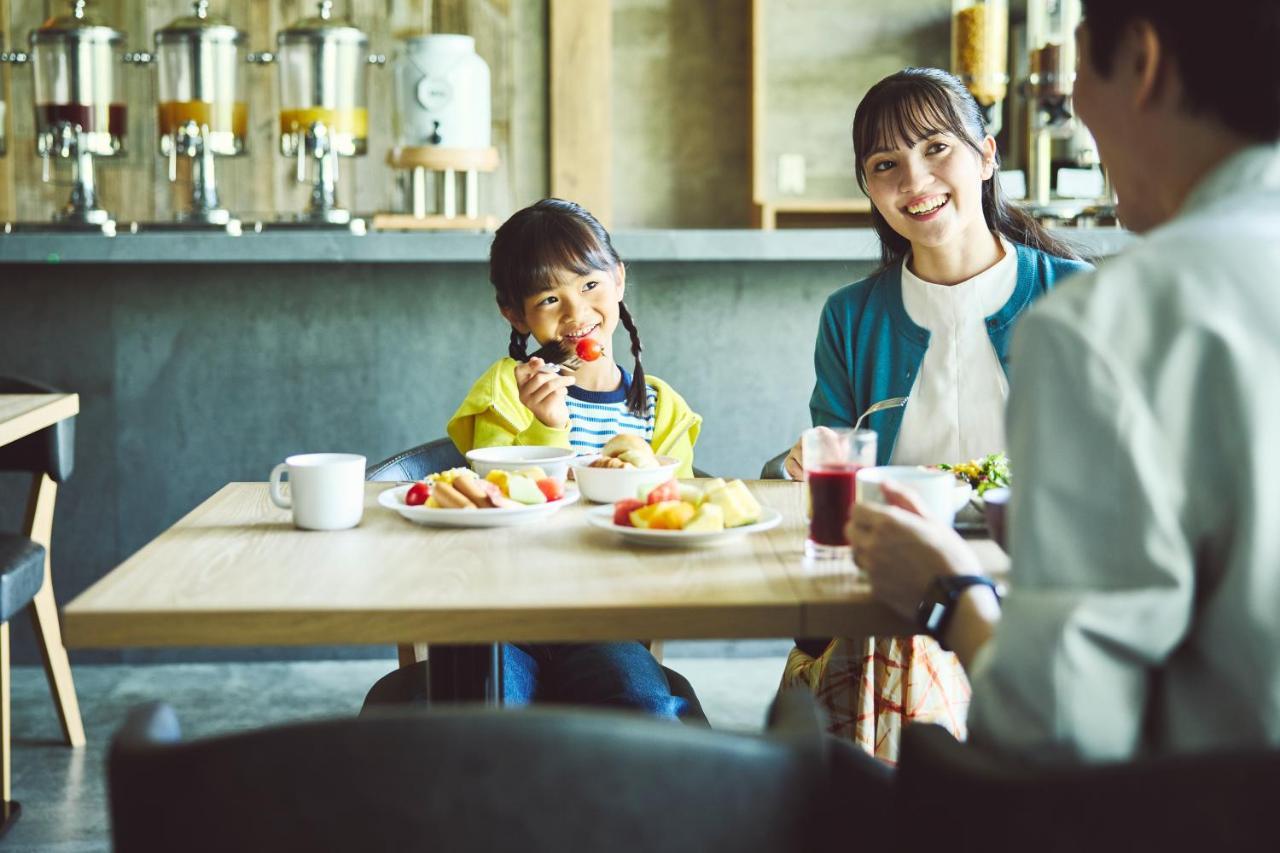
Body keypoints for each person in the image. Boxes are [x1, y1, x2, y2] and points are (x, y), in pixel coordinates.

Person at [850, 0, 1280, 767]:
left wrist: (948, 589)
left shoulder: (1104, 318)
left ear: (1141, 61)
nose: (1075, 105)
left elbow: (1058, 723)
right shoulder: (852, 315)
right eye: (885, 164)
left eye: (1079, 65)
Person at [778, 67, 1091, 762]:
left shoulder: (1078, 297)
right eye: (885, 164)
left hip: (1044, 596)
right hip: (895, 596)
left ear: (986, 154)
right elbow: (829, 474)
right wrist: (801, 462)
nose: (913, 180)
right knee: (906, 657)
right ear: (867, 187)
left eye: (935, 148)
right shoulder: (851, 317)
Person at [446, 197, 701, 718]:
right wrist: (548, 425)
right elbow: (490, 506)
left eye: (589, 285)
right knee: (485, 717)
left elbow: (680, 520)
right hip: (504, 614)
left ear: (619, 280)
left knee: (649, 711)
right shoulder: (506, 389)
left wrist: (645, 473)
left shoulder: (661, 408)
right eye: (548, 299)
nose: (577, 313)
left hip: (607, 619)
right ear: (515, 314)